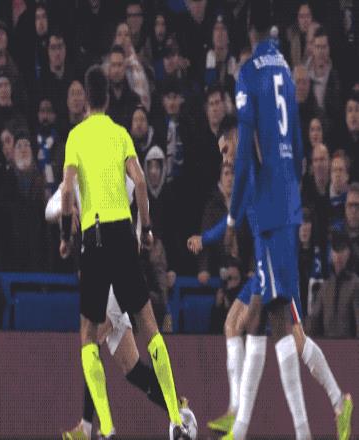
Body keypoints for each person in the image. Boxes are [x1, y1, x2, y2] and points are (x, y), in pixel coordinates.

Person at [222, 3, 352, 438]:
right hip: (285, 204)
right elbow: (296, 145)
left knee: (283, 322)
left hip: (270, 212)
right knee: (268, 320)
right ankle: (273, 428)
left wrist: (233, 216)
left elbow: (244, 154)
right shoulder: (284, 68)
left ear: (248, 32)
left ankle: (334, 404)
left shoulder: (248, 73)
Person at [60, 65, 195, 439]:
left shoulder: (76, 137)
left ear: (85, 100)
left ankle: (104, 428)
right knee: (147, 329)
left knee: (88, 335)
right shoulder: (120, 135)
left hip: (94, 237)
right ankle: (177, 416)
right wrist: (146, 229)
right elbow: (140, 181)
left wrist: (66, 235)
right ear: (108, 97)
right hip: (122, 234)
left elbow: (67, 190)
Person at [46, 155, 195, 440]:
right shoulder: (74, 181)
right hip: (95, 282)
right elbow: (49, 208)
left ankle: (86, 428)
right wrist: (68, 209)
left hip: (113, 280)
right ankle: (178, 406)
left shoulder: (115, 178)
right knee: (131, 367)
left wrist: (139, 235)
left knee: (91, 340)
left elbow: (140, 193)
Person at [306, 230, 359, 338]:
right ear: (331, 253)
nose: (338, 255)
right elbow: (313, 321)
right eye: (335, 250)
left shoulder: (355, 284)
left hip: (350, 345)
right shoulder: (326, 286)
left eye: (342, 249)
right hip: (328, 345)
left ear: (349, 253)